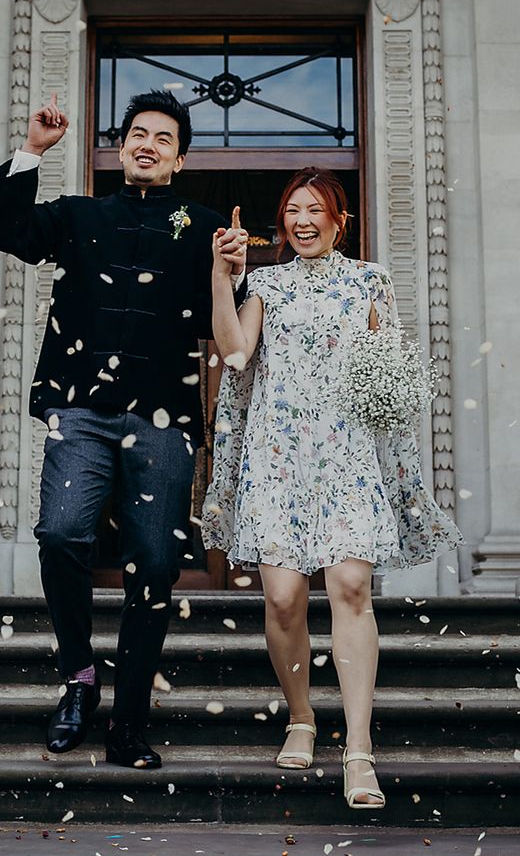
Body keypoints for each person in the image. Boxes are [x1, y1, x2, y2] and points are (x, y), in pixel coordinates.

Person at [0, 90, 248, 769]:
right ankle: (79, 678)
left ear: (179, 160)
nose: (148, 144)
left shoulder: (204, 226)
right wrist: (32, 151)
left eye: (163, 138)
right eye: (138, 134)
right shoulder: (78, 215)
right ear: (120, 146)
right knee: (60, 533)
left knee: (156, 565)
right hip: (81, 411)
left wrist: (230, 271)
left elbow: (227, 330)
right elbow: (7, 231)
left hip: (164, 420)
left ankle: (129, 721)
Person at [202, 168, 462, 808]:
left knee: (350, 588)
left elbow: (386, 371)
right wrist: (222, 278)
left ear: (339, 221)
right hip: (278, 457)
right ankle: (301, 717)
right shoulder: (265, 284)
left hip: (347, 455)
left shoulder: (371, 282)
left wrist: (392, 416)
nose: (303, 220)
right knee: (284, 600)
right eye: (293, 210)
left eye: (316, 209)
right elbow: (234, 355)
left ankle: (359, 750)